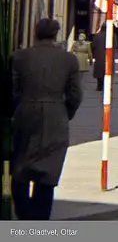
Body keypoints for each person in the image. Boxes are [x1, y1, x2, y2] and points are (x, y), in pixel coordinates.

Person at [12, 18, 84, 220]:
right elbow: (75, 95)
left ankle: (24, 215)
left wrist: (15, 110)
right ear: (55, 35)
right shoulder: (68, 60)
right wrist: (64, 113)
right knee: (47, 173)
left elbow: (10, 90)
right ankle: (39, 222)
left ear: (35, 33)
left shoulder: (19, 57)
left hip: (25, 114)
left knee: (20, 167)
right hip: (55, 117)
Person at [91, 23, 109, 92]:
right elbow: (116, 45)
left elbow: (93, 45)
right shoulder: (112, 36)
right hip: (108, 57)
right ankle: (107, 86)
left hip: (99, 56)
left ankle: (99, 86)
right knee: (107, 72)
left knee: (99, 73)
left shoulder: (97, 36)